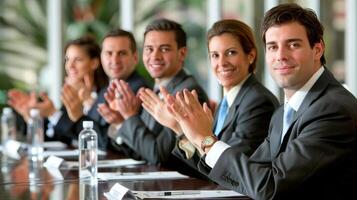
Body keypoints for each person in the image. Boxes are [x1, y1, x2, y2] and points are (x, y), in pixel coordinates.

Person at [167, 3, 357, 199]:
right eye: (273, 47)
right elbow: (250, 175)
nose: (281, 56)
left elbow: (270, 187)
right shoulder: (284, 112)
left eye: (293, 44)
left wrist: (205, 140)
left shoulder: (333, 109)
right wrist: (196, 136)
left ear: (317, 49)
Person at [140, 19, 278, 175]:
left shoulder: (257, 102)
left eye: (231, 53)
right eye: (215, 55)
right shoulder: (226, 102)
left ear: (251, 55)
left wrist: (180, 127)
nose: (222, 62)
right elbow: (207, 163)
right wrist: (178, 128)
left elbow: (229, 170)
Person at [106, 19, 208, 171]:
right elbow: (141, 152)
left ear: (182, 53)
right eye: (149, 49)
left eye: (164, 49)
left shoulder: (186, 93)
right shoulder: (155, 90)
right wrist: (121, 122)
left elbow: (158, 155)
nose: (155, 56)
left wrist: (130, 118)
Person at [8, 36, 109, 148]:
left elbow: (103, 141)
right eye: (67, 60)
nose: (70, 66)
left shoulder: (106, 95)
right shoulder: (71, 96)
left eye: (78, 60)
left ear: (94, 63)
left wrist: (54, 113)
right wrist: (33, 119)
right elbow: (59, 138)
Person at [96, 28, 149, 152]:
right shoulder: (105, 89)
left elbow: (103, 141)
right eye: (109, 53)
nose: (115, 60)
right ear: (101, 57)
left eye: (122, 53)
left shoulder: (139, 90)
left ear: (135, 58)